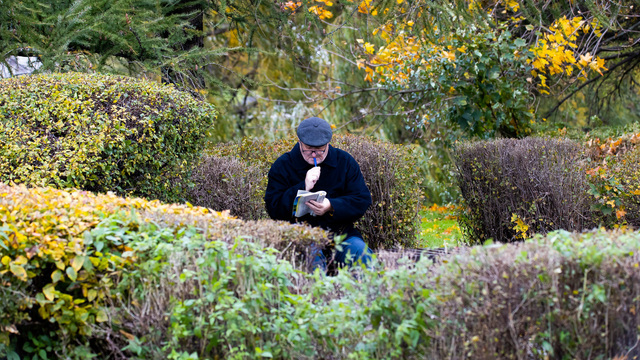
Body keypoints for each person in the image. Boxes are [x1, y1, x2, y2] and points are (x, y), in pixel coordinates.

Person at [264, 117, 373, 272]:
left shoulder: (345, 162)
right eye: (309, 149)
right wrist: (304, 186)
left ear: (328, 144)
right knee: (310, 260)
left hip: (340, 235)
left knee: (361, 255)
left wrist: (331, 206)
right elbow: (273, 209)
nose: (314, 155)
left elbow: (362, 200)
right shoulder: (283, 165)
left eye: (320, 149)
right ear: (299, 143)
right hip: (301, 236)